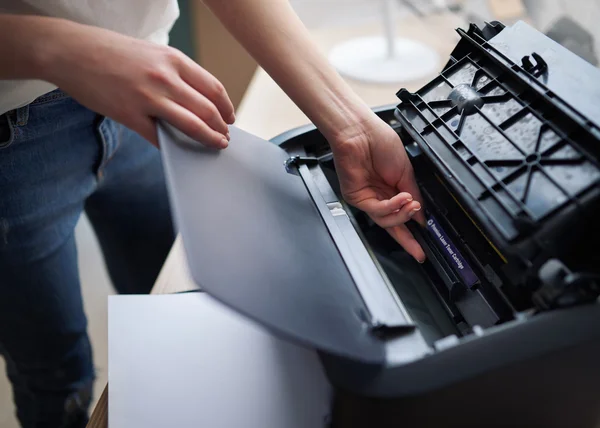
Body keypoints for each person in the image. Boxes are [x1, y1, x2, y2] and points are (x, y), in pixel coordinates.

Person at [0, 0, 426, 426]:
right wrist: (61, 48)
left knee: (172, 306)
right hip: (14, 131)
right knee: (52, 365)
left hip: (150, 90)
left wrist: (350, 127)